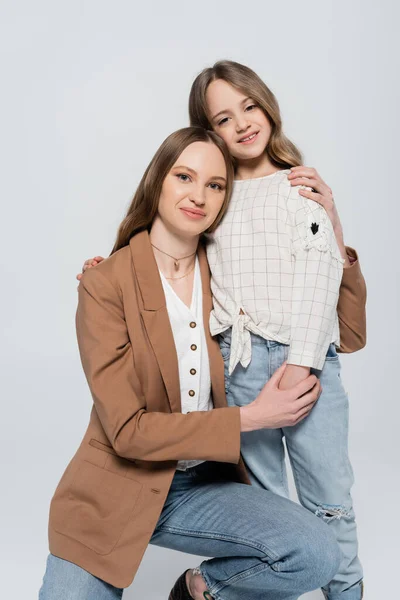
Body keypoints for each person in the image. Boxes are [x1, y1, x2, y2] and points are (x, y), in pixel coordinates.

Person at [81, 61, 367, 600]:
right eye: (223, 117)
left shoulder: (300, 187)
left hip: (303, 361)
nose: (241, 124)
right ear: (210, 132)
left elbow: (337, 308)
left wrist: (334, 227)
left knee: (330, 503)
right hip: (238, 365)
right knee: (268, 508)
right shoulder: (218, 200)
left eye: (249, 106)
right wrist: (109, 269)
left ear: (267, 102)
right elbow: (165, 241)